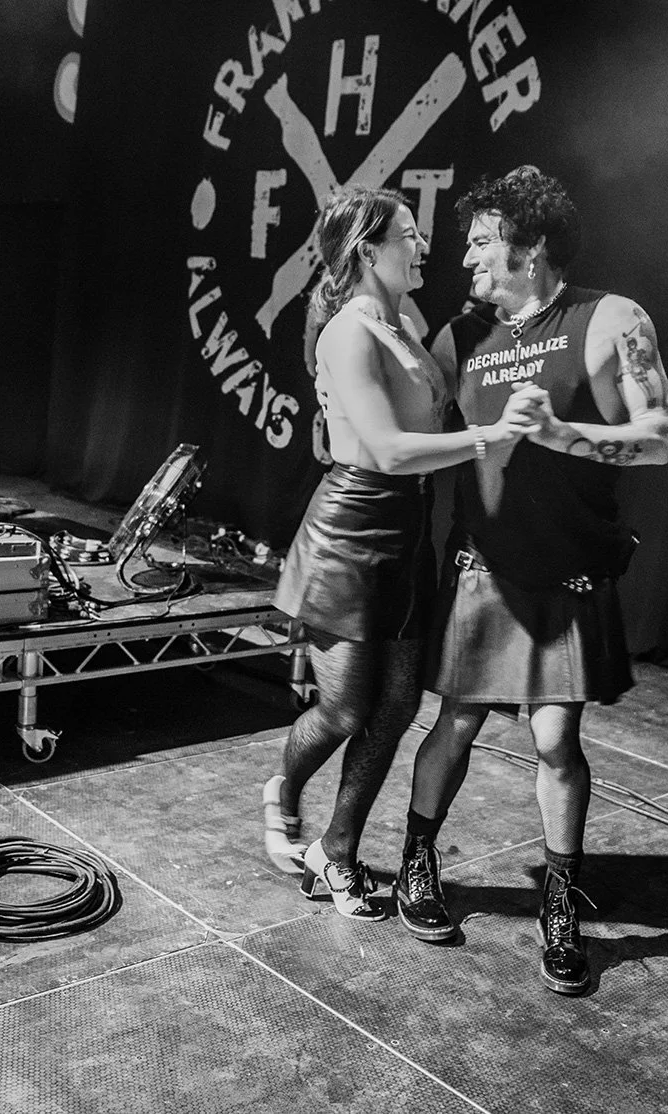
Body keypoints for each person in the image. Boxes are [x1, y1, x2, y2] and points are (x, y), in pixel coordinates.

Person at [396, 167, 668, 993]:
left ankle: (560, 899)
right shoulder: (459, 336)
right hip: (483, 566)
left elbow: (657, 437)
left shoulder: (608, 318)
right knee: (456, 721)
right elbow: (401, 423)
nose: (469, 261)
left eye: (482, 242)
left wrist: (554, 432)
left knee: (555, 739)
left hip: (572, 571)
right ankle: (416, 860)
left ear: (532, 244)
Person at [264, 185, 534, 921]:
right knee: (347, 707)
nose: (423, 247)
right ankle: (282, 790)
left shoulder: (409, 317)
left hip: (408, 531)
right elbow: (385, 448)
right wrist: (490, 437)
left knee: (398, 703)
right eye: (408, 235)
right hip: (350, 531)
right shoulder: (348, 332)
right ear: (367, 250)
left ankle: (336, 852)